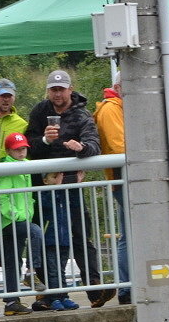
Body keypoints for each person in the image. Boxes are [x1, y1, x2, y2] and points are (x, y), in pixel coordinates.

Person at [25, 70, 111, 308]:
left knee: (81, 234)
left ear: (70, 90)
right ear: (48, 91)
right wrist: (45, 140)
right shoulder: (40, 111)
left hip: (71, 184)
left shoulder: (82, 114)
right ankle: (51, 293)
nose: (57, 94)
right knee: (49, 239)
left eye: (61, 90)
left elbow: (94, 145)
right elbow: (28, 147)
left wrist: (81, 148)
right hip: (44, 187)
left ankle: (94, 287)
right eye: (53, 90)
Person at [0, 132, 47, 315]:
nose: (21, 152)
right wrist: (14, 215)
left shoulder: (26, 166)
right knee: (35, 232)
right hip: (10, 222)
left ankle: (11, 303)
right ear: (8, 151)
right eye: (17, 150)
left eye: (24, 149)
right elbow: (1, 196)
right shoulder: (6, 168)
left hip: (20, 219)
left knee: (12, 261)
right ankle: (31, 272)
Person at [93, 73, 131, 304]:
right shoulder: (110, 109)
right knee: (130, 236)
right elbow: (119, 147)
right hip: (124, 178)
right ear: (118, 87)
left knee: (129, 234)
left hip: (128, 178)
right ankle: (127, 287)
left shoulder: (119, 107)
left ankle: (128, 286)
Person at [0, 77, 28, 160]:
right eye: (2, 95)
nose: (6, 99)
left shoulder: (22, 124)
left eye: (9, 96)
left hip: (10, 168)